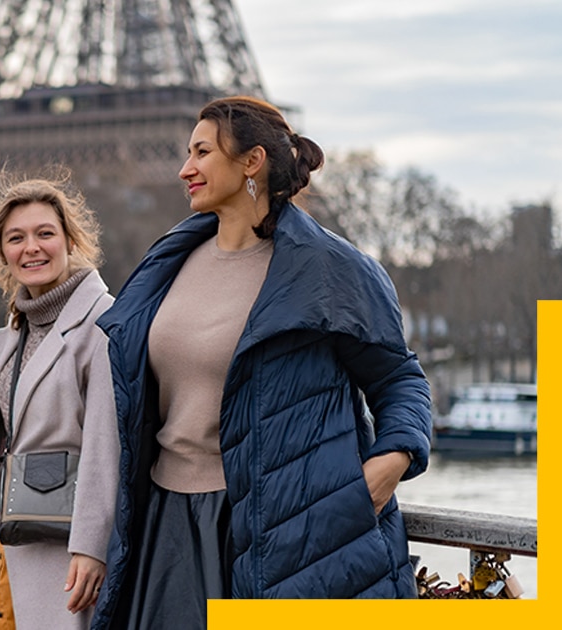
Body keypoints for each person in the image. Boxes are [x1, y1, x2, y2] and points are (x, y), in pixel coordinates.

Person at [90, 96, 433, 629]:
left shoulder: (331, 268)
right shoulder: (169, 261)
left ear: (251, 162)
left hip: (284, 526)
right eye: (187, 153)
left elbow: (399, 378)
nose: (185, 169)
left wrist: (389, 465)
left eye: (202, 152)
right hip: (170, 522)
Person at [0, 174, 120, 630]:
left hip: (63, 539)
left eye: (45, 234)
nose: (32, 248)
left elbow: (106, 442)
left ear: (70, 240)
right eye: (16, 238)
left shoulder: (101, 323)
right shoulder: (19, 327)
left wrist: (91, 545)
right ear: (1, 251)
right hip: (8, 532)